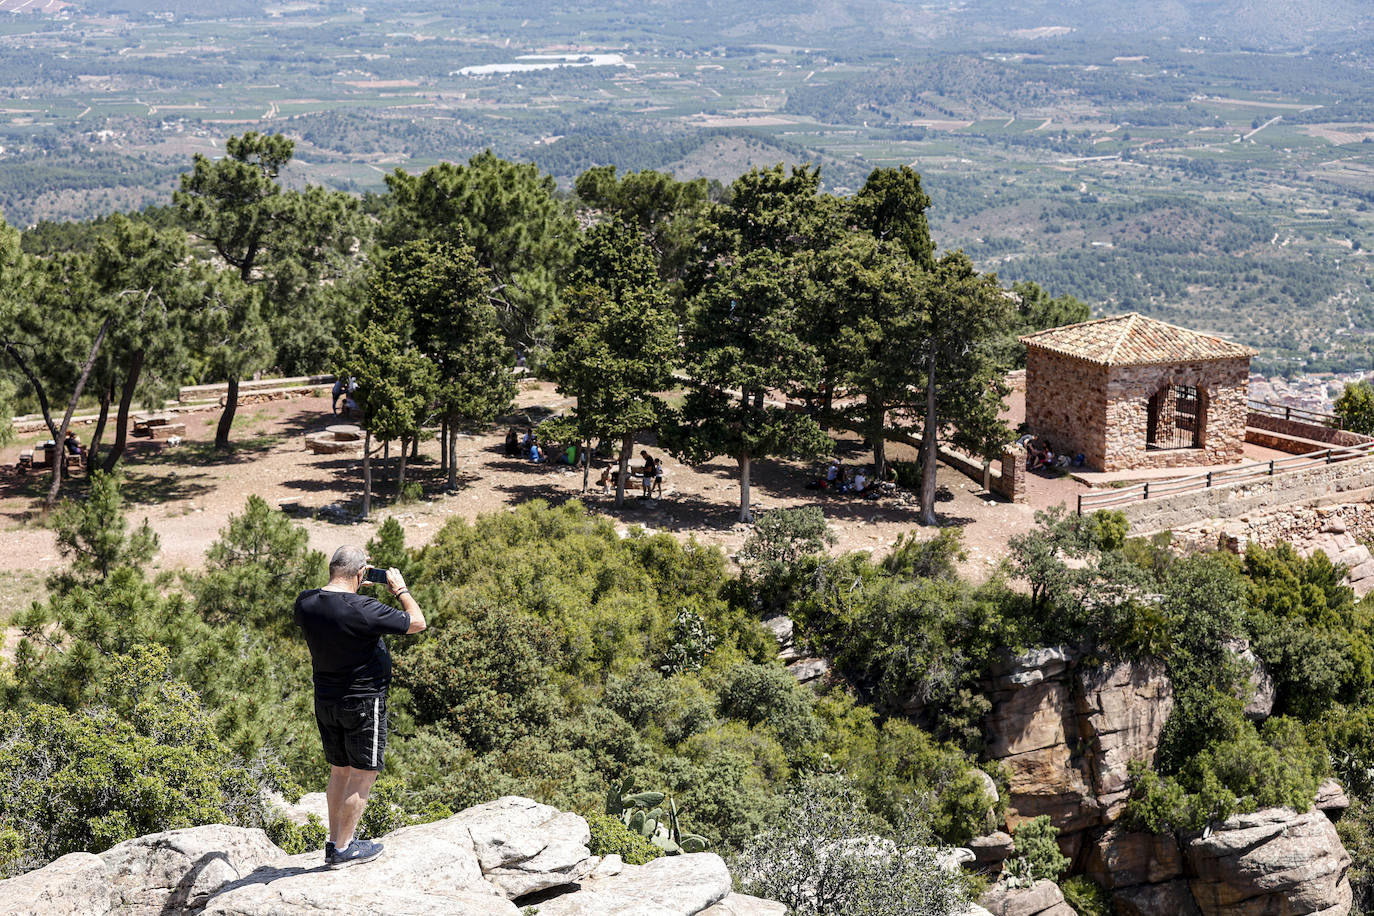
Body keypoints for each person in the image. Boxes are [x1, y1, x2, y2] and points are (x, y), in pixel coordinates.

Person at [294, 546, 426, 869]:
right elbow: (417, 622)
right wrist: (401, 590)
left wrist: (352, 584)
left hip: (326, 700)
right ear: (360, 575)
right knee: (364, 775)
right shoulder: (364, 608)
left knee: (339, 771)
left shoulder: (305, 603)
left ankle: (333, 842)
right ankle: (344, 849)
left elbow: (335, 602)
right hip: (363, 701)